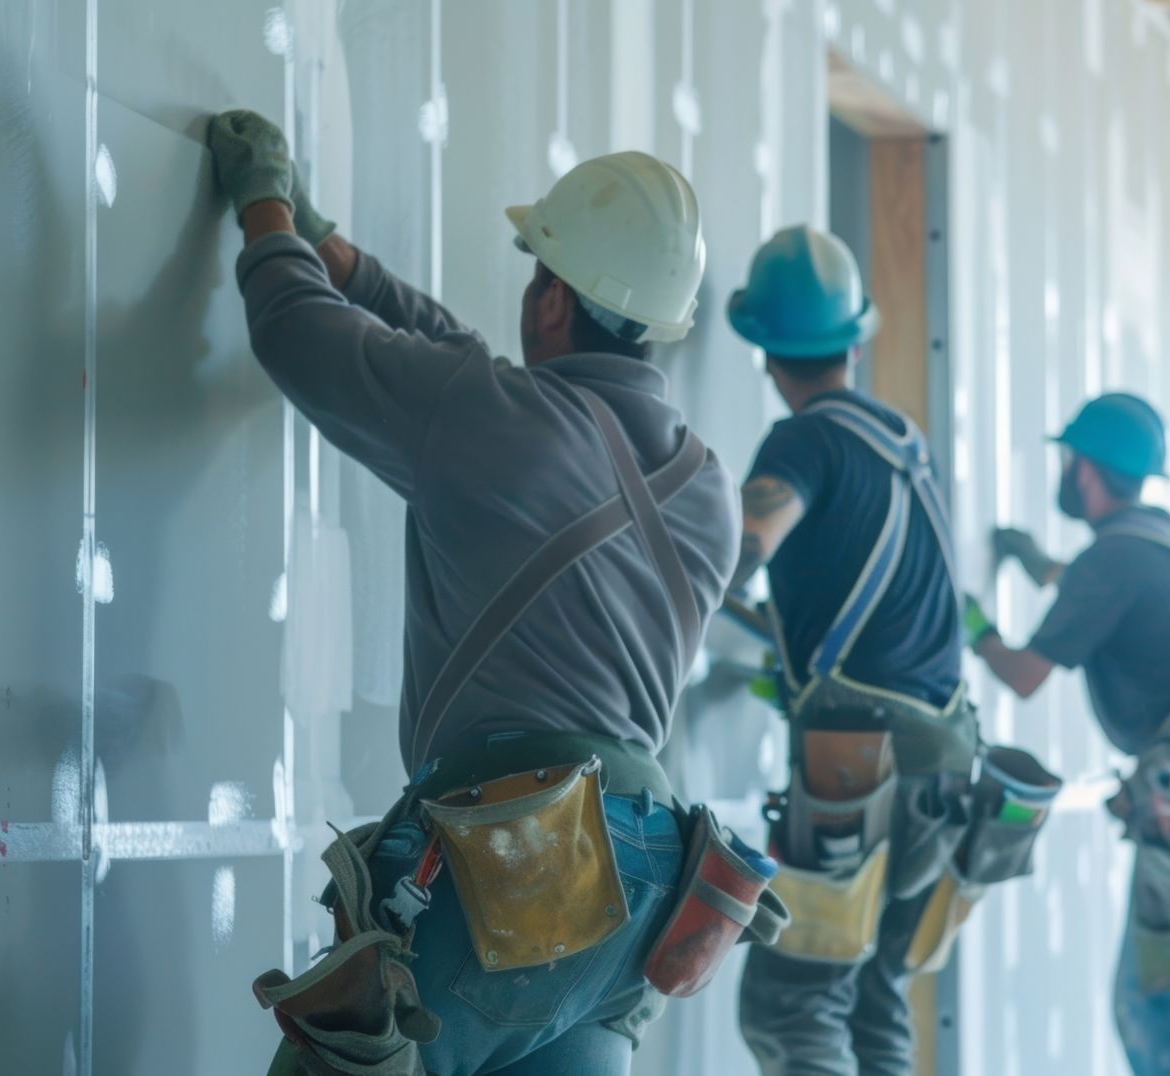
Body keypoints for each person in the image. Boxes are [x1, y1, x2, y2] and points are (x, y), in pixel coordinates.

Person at [207, 110, 746, 1076]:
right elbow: (461, 361)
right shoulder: (710, 489)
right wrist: (338, 250)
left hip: (518, 861)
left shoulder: (489, 422)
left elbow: (298, 333)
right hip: (641, 892)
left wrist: (265, 204)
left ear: (550, 299)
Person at [725, 225, 977, 1076]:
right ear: (855, 342)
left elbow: (754, 537)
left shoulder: (800, 444)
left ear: (765, 353)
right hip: (942, 771)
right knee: (874, 1008)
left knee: (791, 1011)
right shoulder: (905, 441)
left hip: (857, 776)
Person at [968, 393, 1170, 1076]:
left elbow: (1026, 675)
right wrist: (1035, 561)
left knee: (1149, 996)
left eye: (1069, 459)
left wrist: (975, 629)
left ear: (1086, 469)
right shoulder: (1167, 541)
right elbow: (1095, 595)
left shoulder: (1115, 559)